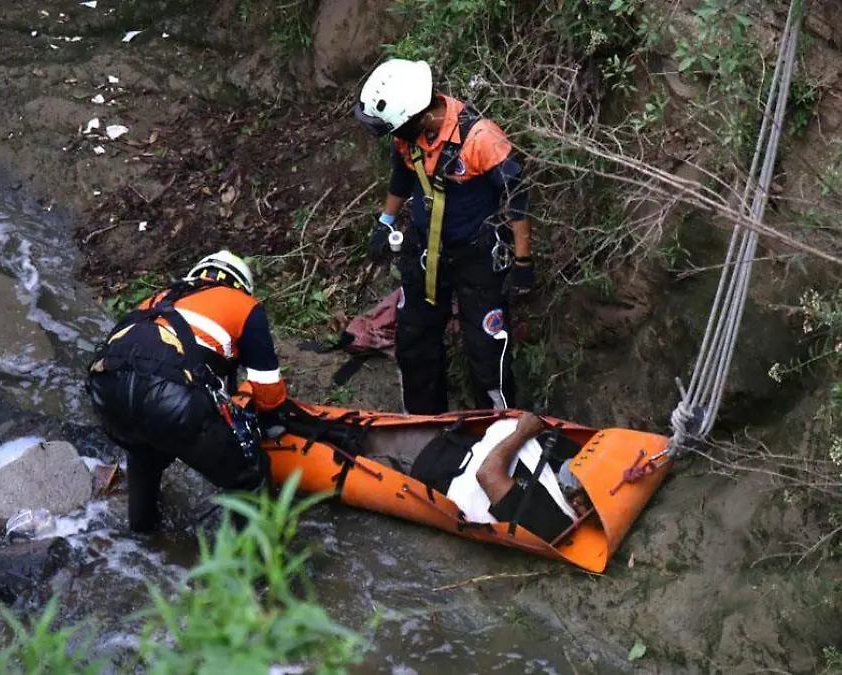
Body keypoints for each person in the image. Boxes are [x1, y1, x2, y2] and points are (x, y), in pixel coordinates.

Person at [353, 58, 535, 414]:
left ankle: (499, 433)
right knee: (415, 340)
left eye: (395, 128)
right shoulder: (407, 138)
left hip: (477, 256)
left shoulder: (481, 138)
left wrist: (523, 261)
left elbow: (517, 199)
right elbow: (401, 178)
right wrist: (385, 221)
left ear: (416, 116)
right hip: (426, 252)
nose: (392, 136)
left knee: (487, 351)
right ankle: (421, 423)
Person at [85, 250, 300, 533]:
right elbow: (267, 385)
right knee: (250, 474)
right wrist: (272, 422)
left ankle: (143, 532)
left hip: (104, 389)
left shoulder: (159, 298)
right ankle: (260, 568)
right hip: (167, 395)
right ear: (241, 285)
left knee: (143, 453)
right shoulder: (244, 305)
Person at [412, 412, 591, 542]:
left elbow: (487, 474)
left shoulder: (552, 523)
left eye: (584, 501)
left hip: (431, 471)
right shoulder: (573, 456)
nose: (576, 501)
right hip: (456, 439)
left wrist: (521, 433)